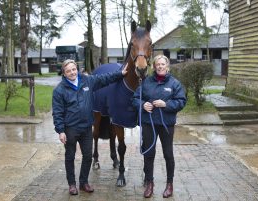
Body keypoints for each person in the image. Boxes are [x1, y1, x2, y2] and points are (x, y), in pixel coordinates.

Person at [52, 59, 127, 195]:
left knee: (87, 156)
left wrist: (121, 73)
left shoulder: (87, 81)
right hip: (70, 128)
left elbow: (105, 79)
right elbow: (57, 112)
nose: (72, 72)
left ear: (77, 69)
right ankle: (72, 184)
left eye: (74, 69)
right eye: (68, 71)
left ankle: (83, 182)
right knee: (70, 156)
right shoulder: (59, 90)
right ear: (64, 73)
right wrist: (61, 130)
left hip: (86, 127)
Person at [132, 55, 187, 198]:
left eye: (163, 64)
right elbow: (135, 98)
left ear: (167, 66)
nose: (160, 66)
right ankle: (149, 183)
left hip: (166, 124)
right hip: (148, 122)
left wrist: (166, 105)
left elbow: (181, 101)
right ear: (154, 67)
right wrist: (143, 105)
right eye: (158, 64)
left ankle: (170, 184)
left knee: (168, 154)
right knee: (149, 153)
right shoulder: (146, 82)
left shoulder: (175, 84)